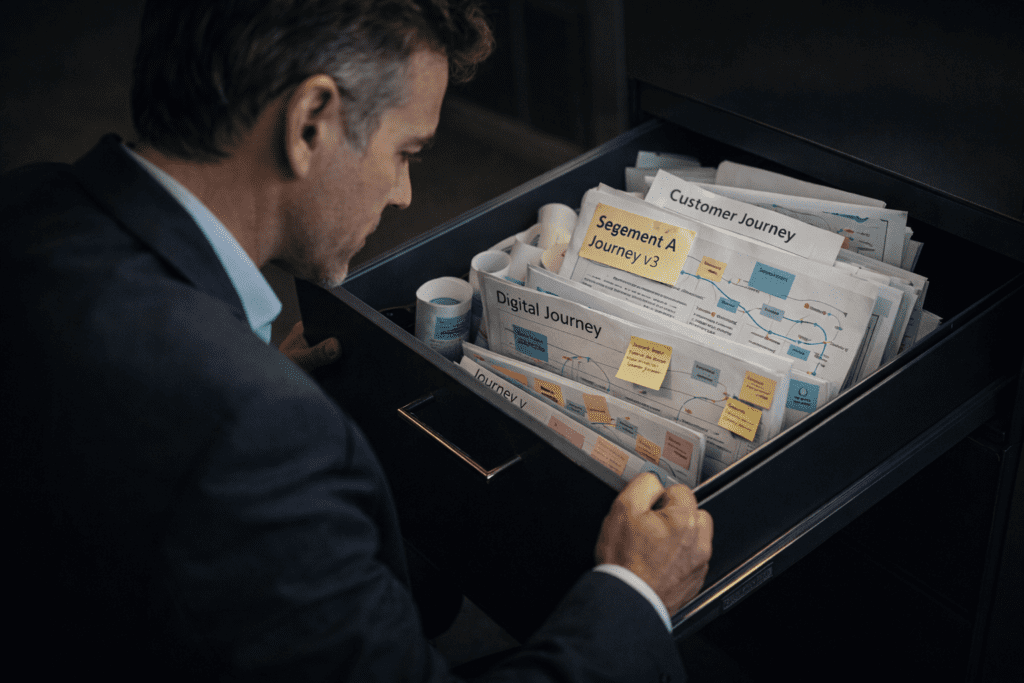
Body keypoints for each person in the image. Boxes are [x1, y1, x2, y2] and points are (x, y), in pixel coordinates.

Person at [1, 1, 712, 680]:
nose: (404, 193)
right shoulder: (254, 437)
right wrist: (633, 593)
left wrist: (236, 366)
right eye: (406, 151)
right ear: (310, 122)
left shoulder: (30, 198)